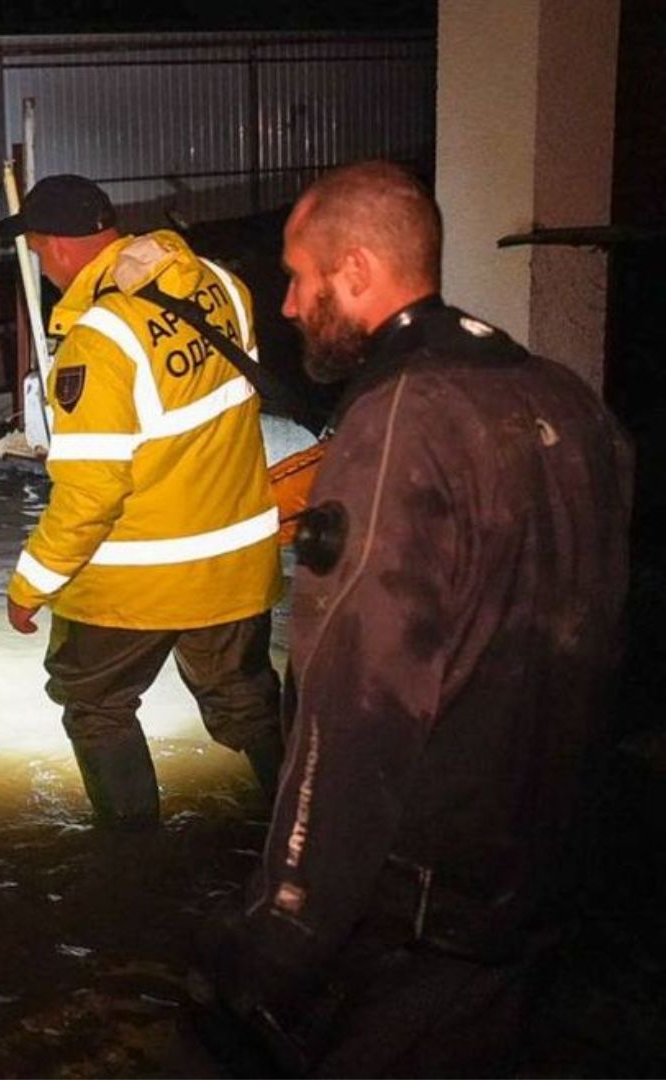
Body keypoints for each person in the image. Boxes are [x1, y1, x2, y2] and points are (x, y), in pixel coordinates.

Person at [193, 161, 633, 1075]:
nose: (286, 305)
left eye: (299, 277)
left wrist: (282, 929)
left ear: (355, 271)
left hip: (425, 912)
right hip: (549, 880)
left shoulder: (401, 421)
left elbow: (356, 698)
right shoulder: (571, 400)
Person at [0, 174, 286, 830]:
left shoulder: (99, 339)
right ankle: (309, 838)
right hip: (236, 564)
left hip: (137, 579)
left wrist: (31, 583)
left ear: (64, 249)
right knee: (249, 705)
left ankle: (133, 868)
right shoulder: (218, 284)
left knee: (96, 706)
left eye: (40, 253)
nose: (42, 267)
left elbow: (92, 493)